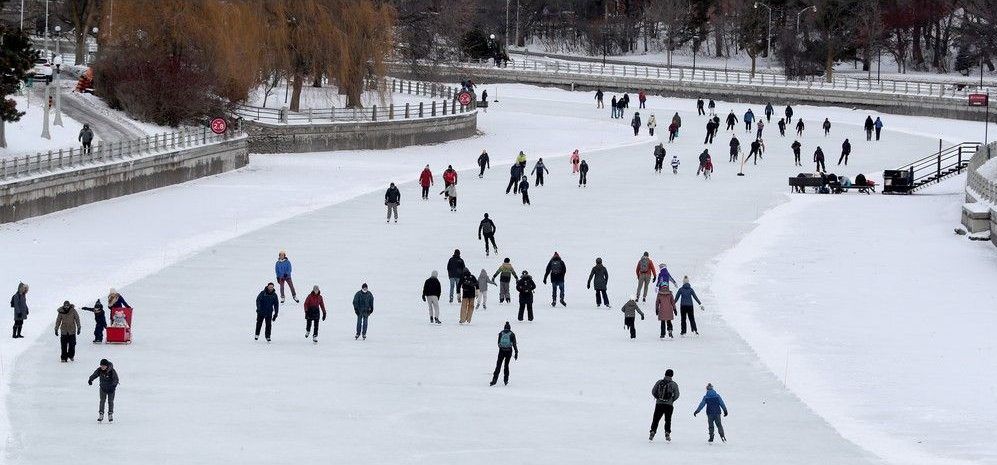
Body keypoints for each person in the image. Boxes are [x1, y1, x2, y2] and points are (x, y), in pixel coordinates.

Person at [649, 369, 680, 442]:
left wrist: (658, 398)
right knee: (668, 420)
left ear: (665, 374)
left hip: (659, 404)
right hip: (669, 405)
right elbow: (677, 395)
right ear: (672, 375)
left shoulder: (659, 382)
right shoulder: (674, 384)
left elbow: (653, 391)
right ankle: (667, 433)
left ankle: (652, 432)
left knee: (656, 419)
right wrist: (671, 400)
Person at [656, 264, 678, 338]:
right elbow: (673, 302)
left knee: (662, 321)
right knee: (668, 321)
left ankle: (662, 334)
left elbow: (659, 281)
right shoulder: (667, 274)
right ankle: (670, 331)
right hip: (668, 307)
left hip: (662, 306)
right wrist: (674, 309)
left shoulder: (661, 274)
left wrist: (656, 309)